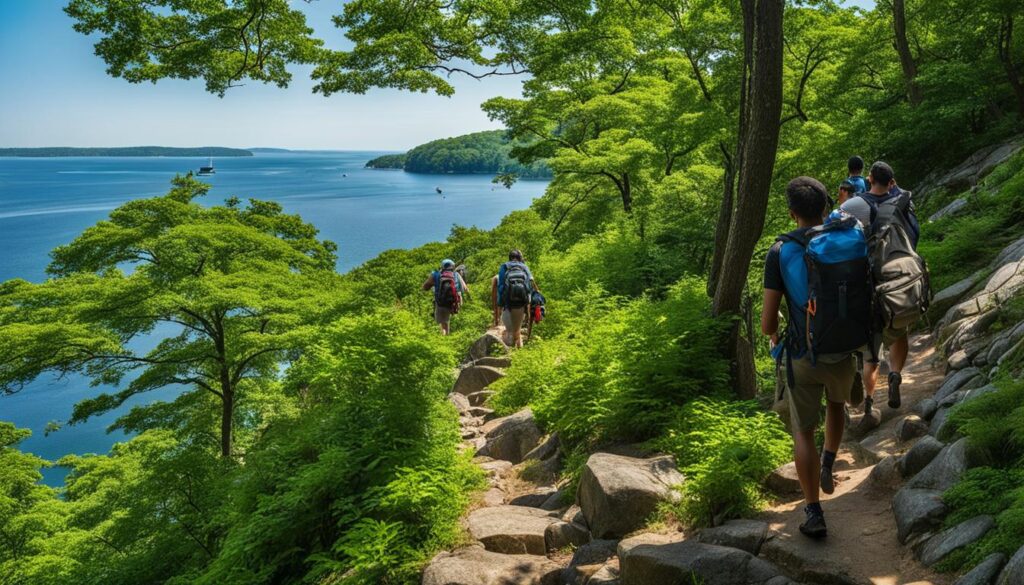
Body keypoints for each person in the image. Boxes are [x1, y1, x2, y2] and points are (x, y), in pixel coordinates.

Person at [762, 177, 870, 539]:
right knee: (836, 404)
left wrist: (778, 329)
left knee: (803, 430)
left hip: (803, 353)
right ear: (826, 206)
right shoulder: (847, 236)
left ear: (793, 213)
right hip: (844, 347)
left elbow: (766, 323)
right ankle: (829, 461)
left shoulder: (780, 251)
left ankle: (813, 511)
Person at [841, 161, 924, 413]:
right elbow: (914, 235)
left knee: (871, 345)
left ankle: (868, 402)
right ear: (892, 181)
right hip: (900, 278)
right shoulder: (904, 201)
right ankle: (896, 374)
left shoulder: (853, 205)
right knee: (899, 332)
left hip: (869, 282)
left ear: (869, 179)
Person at [491, 249, 538, 348]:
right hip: (521, 303)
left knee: (509, 333)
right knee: (517, 333)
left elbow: (501, 286)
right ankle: (519, 356)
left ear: (510, 257)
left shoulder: (504, 266)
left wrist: (501, 304)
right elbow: (531, 283)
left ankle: (509, 356)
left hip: (508, 304)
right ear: (519, 258)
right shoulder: (524, 266)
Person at [422, 258, 468, 335]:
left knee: (443, 325)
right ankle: (454, 335)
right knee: (450, 320)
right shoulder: (456, 275)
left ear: (442, 267)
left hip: (441, 303)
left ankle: (444, 339)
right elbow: (465, 289)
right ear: (452, 267)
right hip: (454, 303)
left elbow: (425, 287)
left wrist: (434, 284)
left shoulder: (436, 274)